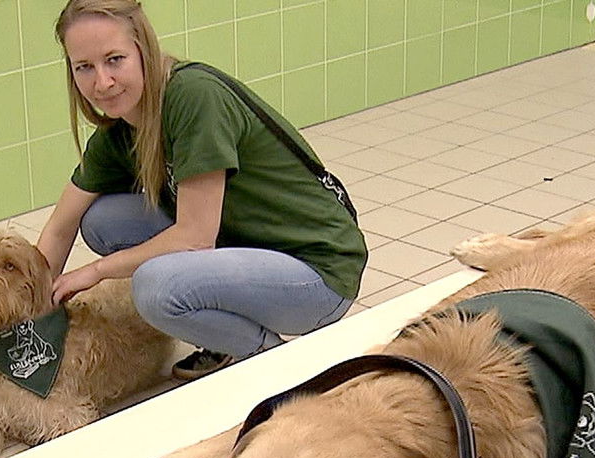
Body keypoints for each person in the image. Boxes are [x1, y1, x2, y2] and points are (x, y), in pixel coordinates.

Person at [37, 0, 367, 380]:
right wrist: (27, 309)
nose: (102, 82)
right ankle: (222, 331)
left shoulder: (194, 97)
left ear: (143, 48)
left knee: (156, 288)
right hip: (248, 248)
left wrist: (95, 271)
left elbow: (194, 238)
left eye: (115, 59)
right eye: (85, 67)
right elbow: (62, 227)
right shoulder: (121, 130)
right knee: (102, 221)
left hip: (317, 272)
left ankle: (276, 363)